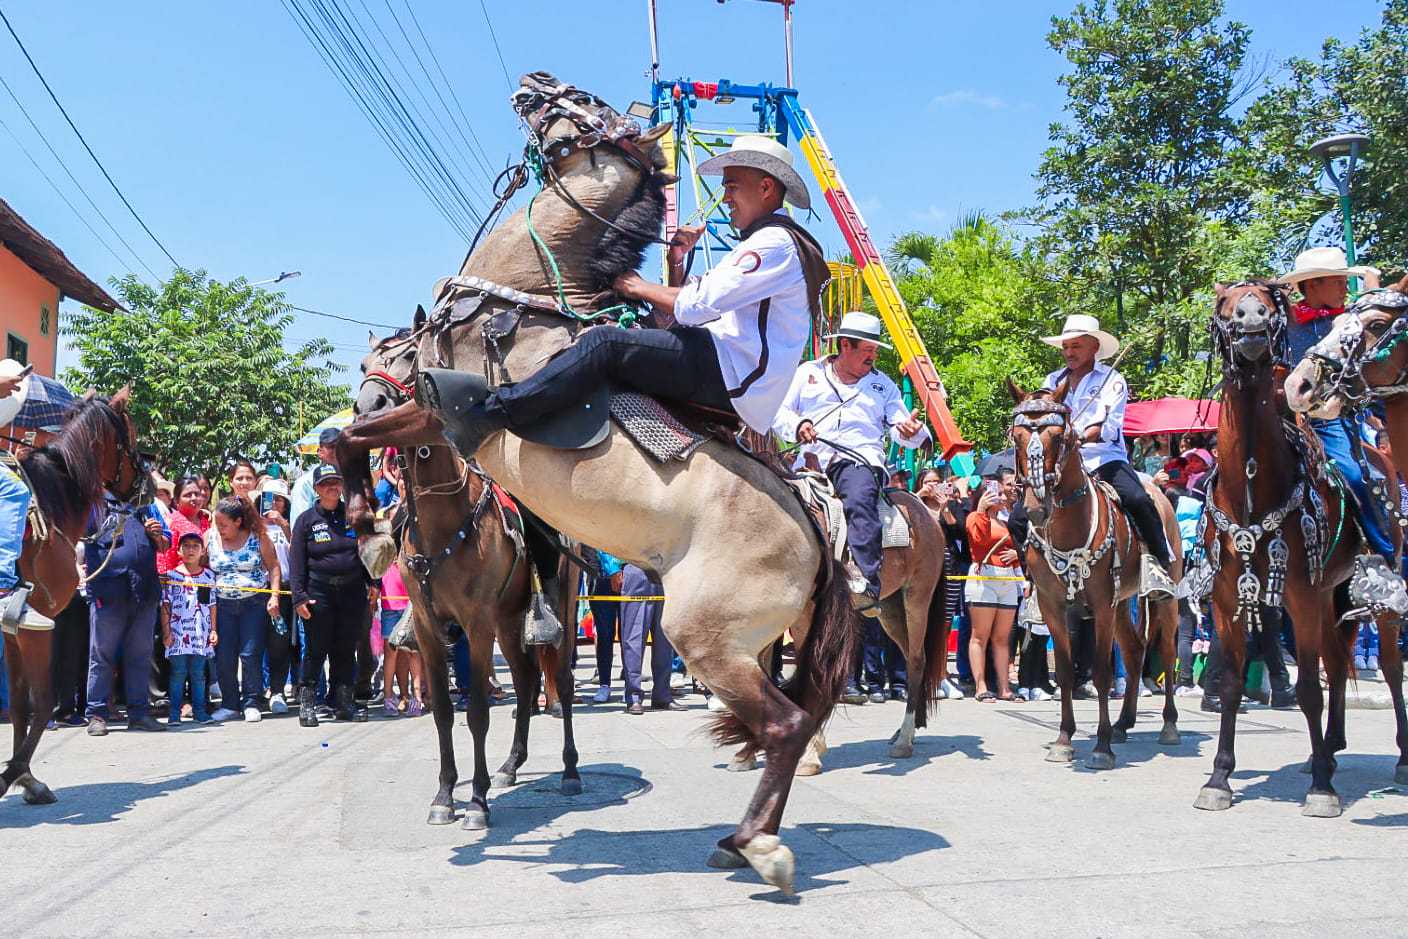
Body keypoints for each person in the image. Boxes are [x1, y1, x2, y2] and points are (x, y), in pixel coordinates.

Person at [419, 133, 829, 458]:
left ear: (766, 187)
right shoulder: (774, 242)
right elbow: (693, 307)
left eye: (732, 187)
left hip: (731, 376)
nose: (725, 198)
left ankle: (487, 416)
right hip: (729, 368)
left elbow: (695, 306)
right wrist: (676, 263)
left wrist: (634, 286)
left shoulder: (774, 242)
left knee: (604, 344)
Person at [773, 310, 930, 612]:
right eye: (868, 350)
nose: (874, 357)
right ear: (845, 345)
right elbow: (779, 410)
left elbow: (902, 426)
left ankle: (867, 584)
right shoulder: (808, 372)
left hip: (859, 460)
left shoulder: (884, 386)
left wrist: (912, 432)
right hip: (808, 460)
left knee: (859, 499)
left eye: (876, 350)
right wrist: (798, 424)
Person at [1039, 314, 1175, 600]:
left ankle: (1158, 566)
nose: (1069, 352)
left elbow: (1110, 427)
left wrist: (1078, 438)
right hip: (1061, 463)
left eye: (1076, 346)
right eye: (1066, 347)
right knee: (1021, 512)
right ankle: (1034, 583)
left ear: (1094, 347)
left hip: (1103, 459)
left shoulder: (1112, 380)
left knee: (1138, 499)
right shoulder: (1052, 381)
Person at [1281, 247, 1398, 573]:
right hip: (1284, 422)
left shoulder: (1352, 322)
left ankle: (1382, 562)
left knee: (1355, 477)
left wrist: (1372, 287)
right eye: (1338, 281)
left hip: (1332, 422)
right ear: (1313, 284)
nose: (1346, 287)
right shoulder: (1284, 325)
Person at [290, 464, 378, 726]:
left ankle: (344, 701)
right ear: (316, 489)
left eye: (336, 482)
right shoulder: (306, 520)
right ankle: (308, 704)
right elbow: (297, 562)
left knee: (345, 650)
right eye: (325, 483)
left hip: (352, 592)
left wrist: (374, 583)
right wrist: (298, 597)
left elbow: (368, 551)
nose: (331, 487)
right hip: (319, 592)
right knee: (315, 650)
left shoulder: (353, 516)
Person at [84, 496, 171, 734]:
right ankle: (97, 715)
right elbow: (80, 535)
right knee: (102, 655)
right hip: (108, 591)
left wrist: (154, 534)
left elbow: (165, 544)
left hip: (144, 590)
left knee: (140, 655)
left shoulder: (147, 505)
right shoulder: (94, 503)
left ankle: (139, 714)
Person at [205, 497, 280, 723]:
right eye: (217, 523)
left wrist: (274, 595)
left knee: (250, 654)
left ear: (238, 521)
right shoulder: (210, 537)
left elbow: (274, 566)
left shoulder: (259, 537)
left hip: (254, 604)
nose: (219, 528)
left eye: (223, 524)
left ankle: (251, 702)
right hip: (221, 605)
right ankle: (229, 704)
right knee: (224, 655)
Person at [965, 481, 1022, 702]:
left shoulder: (1005, 521)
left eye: (1002, 493)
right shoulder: (974, 517)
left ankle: (1004, 688)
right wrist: (981, 510)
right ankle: (981, 686)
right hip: (984, 576)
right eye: (996, 494)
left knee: (1002, 638)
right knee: (980, 635)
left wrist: (1017, 556)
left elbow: (1016, 546)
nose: (1002, 497)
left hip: (1007, 578)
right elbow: (978, 542)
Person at [161, 532, 217, 726]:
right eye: (186, 545)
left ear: (202, 551)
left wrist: (213, 630)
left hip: (200, 634)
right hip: (177, 634)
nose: (190, 550)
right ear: (178, 550)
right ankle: (174, 713)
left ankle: (199, 711)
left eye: (195, 546)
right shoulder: (171, 576)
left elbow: (211, 604)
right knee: (178, 673)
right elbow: (165, 606)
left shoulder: (208, 576)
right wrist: (166, 632)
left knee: (198, 674)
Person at [617, 564, 680, 715]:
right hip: (636, 566)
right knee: (634, 639)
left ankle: (663, 695)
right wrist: (613, 569)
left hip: (664, 568)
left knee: (665, 640)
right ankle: (633, 696)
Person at [255, 477, 295, 713]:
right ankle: (257, 691)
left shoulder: (290, 525)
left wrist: (283, 525)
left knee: (279, 643)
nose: (275, 504)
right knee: (255, 645)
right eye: (271, 499)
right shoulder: (253, 526)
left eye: (280, 499)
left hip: (285, 591)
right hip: (257, 590)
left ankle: (278, 689)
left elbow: (298, 551)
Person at [291, 429, 341, 524]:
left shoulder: (351, 481)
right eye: (332, 447)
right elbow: (299, 524)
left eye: (341, 446)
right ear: (320, 452)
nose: (338, 451)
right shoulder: (305, 483)